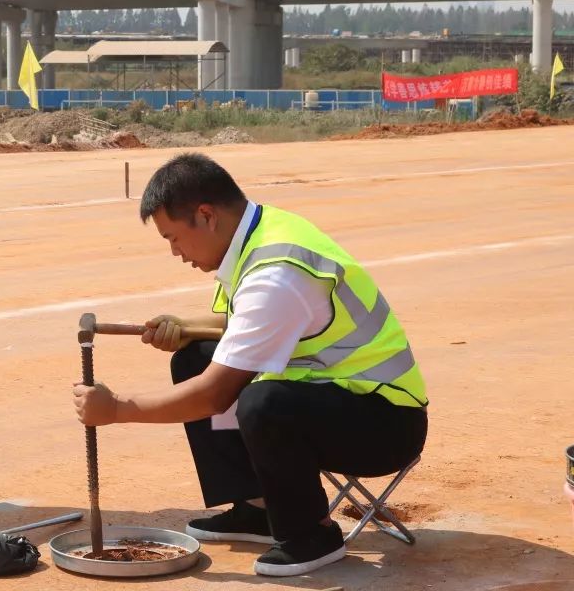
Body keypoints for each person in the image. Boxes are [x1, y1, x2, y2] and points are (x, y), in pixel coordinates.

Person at [73, 153, 428, 577]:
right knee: (195, 358)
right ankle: (258, 508)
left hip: (385, 423)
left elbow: (215, 393)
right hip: (335, 397)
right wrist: (185, 326)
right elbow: (239, 322)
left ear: (205, 216)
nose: (174, 251)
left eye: (173, 237)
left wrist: (117, 409)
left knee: (262, 400)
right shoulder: (257, 233)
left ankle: (312, 535)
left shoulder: (275, 270)